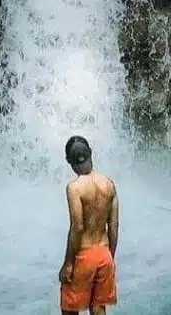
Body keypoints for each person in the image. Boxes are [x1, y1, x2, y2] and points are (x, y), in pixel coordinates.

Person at [58, 135, 119, 315]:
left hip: (84, 256)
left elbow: (77, 227)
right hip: (104, 254)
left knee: (70, 309)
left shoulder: (74, 188)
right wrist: (110, 257)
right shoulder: (109, 184)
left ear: (69, 161)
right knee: (98, 308)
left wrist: (68, 263)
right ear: (91, 153)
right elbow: (114, 226)